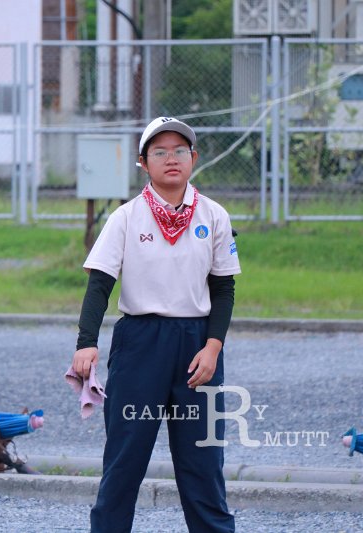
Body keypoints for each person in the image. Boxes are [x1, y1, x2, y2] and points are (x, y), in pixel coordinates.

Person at [70, 116, 241, 532]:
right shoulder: (126, 218)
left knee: (202, 465)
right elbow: (99, 286)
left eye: (180, 151)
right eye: (160, 152)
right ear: (143, 162)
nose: (171, 159)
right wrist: (86, 341)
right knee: (125, 462)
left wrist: (213, 347)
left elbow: (223, 290)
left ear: (193, 158)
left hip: (197, 347)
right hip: (140, 342)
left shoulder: (214, 216)